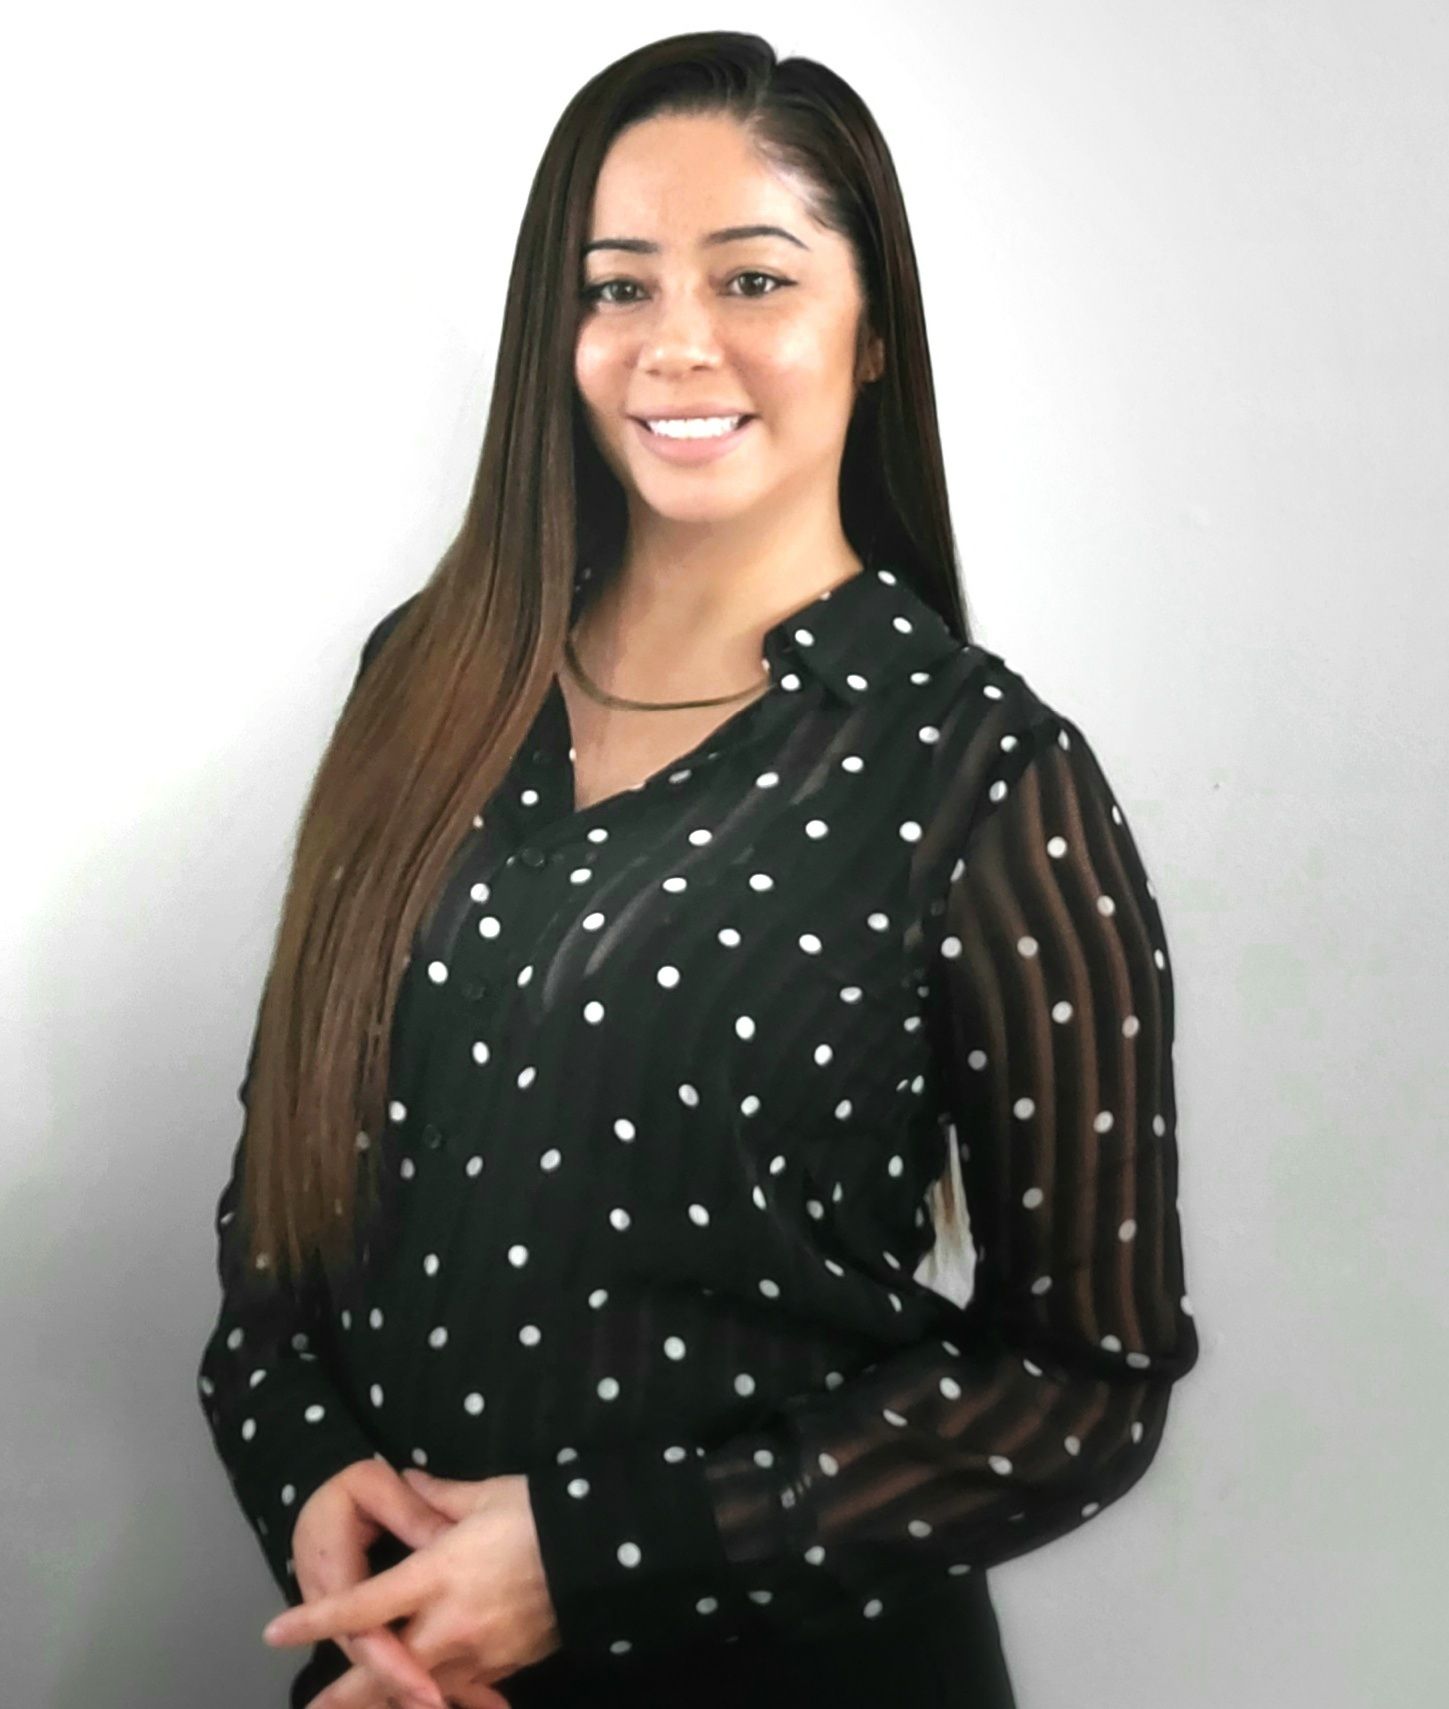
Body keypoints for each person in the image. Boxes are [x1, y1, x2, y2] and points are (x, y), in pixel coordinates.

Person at [196, 30, 1200, 1709]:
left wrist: (593, 1557)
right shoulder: (426, 681)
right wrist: (322, 1504)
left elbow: (1083, 1382)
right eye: (616, 288)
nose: (674, 343)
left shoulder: (980, 774)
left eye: (752, 278)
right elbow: (284, 1210)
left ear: (871, 332)